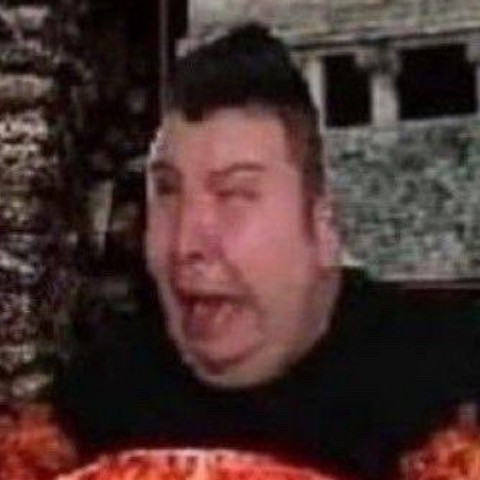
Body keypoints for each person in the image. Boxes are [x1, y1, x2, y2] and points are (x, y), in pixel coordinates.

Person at [56, 23, 480, 480]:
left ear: (323, 225)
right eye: (167, 192)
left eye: (234, 194)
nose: (185, 245)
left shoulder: (453, 388)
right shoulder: (95, 401)